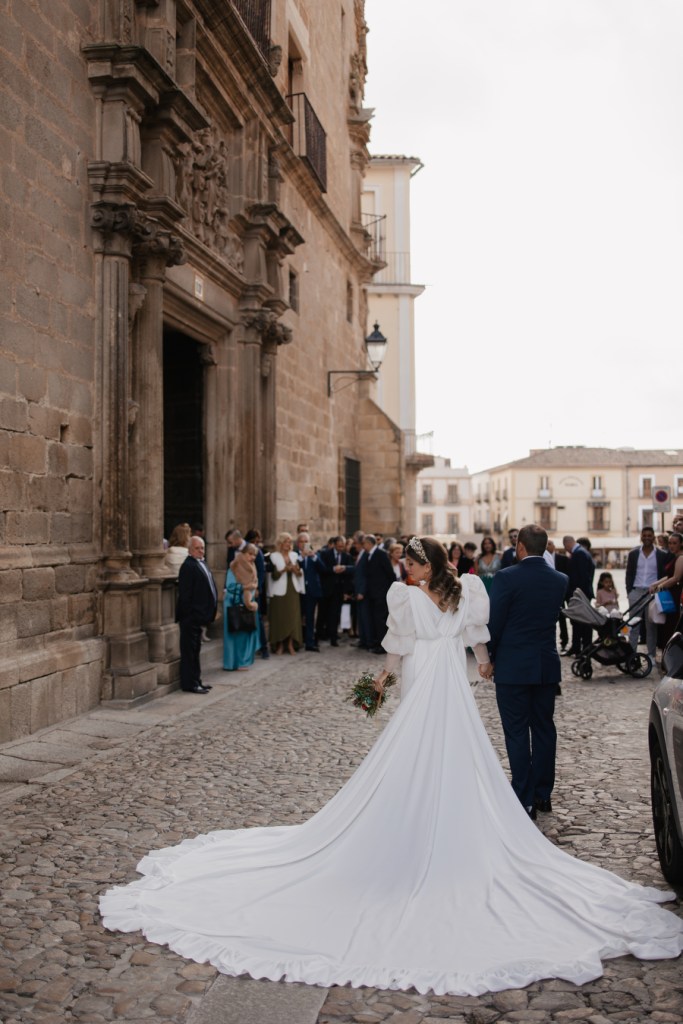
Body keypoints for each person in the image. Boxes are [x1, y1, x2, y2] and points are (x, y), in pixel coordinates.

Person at [101, 534, 683, 996]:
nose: (405, 568)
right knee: (435, 751)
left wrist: (416, 676)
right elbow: (446, 642)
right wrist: (447, 670)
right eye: (405, 562)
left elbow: (426, 647)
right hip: (439, 679)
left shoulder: (430, 595)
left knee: (433, 752)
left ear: (427, 565)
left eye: (411, 561)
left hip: (435, 680)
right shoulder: (448, 593)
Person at [487, 524, 568, 819]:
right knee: (544, 729)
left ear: (520, 546)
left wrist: (489, 656)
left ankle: (523, 795)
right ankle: (543, 794)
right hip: (545, 665)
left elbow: (495, 623)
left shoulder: (506, 577)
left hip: (513, 666)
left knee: (517, 731)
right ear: (544, 548)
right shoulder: (559, 579)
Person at [175, 536, 218, 694]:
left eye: (202, 548)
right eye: (197, 548)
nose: (201, 551)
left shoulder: (201, 563)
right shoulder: (188, 566)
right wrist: (191, 615)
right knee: (189, 652)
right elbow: (185, 595)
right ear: (190, 549)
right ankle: (190, 684)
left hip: (199, 617)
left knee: (195, 650)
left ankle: (197, 680)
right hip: (190, 617)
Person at [625, 526, 670, 661]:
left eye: (649, 535)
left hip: (652, 594)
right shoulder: (634, 553)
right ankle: (631, 655)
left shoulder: (661, 554)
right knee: (633, 625)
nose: (646, 538)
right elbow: (629, 573)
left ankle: (651, 655)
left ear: (653, 537)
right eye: (644, 535)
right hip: (636, 591)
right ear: (641, 537)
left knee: (651, 626)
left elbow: (665, 574)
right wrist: (629, 591)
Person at [222, 545, 260, 671]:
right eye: (250, 554)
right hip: (234, 602)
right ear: (243, 553)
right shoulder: (235, 565)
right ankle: (233, 662)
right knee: (235, 633)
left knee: (246, 632)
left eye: (254, 555)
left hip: (248, 602)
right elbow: (230, 586)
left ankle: (243, 661)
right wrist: (247, 587)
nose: (252, 557)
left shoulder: (252, 566)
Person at [267, 532, 304, 655]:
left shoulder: (294, 555)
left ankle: (290, 644)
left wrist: (295, 570)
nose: (288, 544)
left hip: (292, 590)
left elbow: (300, 574)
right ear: (280, 543)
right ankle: (280, 645)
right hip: (278, 592)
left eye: (290, 542)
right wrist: (284, 570)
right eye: (286, 542)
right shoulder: (274, 556)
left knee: (292, 618)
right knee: (280, 618)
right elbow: (273, 576)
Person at [317, 535, 355, 646]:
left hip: (338, 590)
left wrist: (344, 569)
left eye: (342, 546)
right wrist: (333, 569)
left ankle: (333, 638)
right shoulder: (325, 554)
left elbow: (351, 572)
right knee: (322, 613)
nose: (340, 548)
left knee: (335, 614)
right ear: (334, 545)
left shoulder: (347, 556)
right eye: (339, 546)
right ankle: (318, 636)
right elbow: (321, 570)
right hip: (326, 589)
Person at [362, 533, 396, 654]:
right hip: (373, 594)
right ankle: (377, 643)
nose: (363, 546)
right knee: (375, 620)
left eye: (364, 543)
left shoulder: (381, 554)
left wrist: (388, 591)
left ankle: (383, 646)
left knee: (381, 620)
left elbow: (390, 573)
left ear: (369, 543)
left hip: (381, 594)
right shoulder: (368, 555)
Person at [562, 535, 595, 656]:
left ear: (568, 544)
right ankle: (577, 646)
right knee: (577, 622)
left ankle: (585, 648)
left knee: (583, 622)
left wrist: (578, 594)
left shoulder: (579, 554)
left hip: (580, 594)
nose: (565, 549)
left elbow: (582, 577)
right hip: (581, 594)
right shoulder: (581, 552)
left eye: (565, 546)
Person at [650, 532, 683, 651]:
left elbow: (676, 578)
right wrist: (656, 584)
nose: (671, 546)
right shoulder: (675, 557)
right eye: (670, 543)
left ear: (681, 544)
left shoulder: (681, 558)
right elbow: (669, 576)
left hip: (676, 594)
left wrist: (660, 586)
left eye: (674, 543)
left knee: (672, 624)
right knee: (667, 624)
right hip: (671, 594)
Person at [244, 528, 269, 659]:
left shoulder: (257, 552)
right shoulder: (242, 551)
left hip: (253, 590)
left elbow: (261, 571)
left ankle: (263, 648)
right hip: (243, 588)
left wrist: (257, 588)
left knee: (257, 618)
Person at [299, 537, 322, 651]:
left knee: (310, 617)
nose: (304, 544)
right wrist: (302, 557)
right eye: (302, 541)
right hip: (298, 590)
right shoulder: (295, 555)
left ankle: (309, 642)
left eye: (306, 541)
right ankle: (297, 641)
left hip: (311, 591)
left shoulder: (315, 555)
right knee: (297, 617)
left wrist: (314, 557)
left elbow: (323, 569)